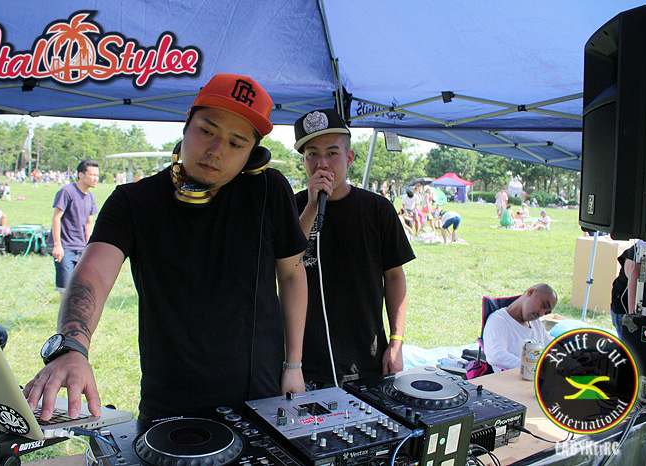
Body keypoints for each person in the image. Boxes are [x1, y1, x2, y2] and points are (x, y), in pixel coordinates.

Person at [24, 73, 309, 420]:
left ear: (253, 155)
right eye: (207, 131)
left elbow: (292, 275)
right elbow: (93, 273)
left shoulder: (269, 190)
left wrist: (293, 364)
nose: (216, 150)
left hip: (260, 393)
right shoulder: (132, 201)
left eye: (236, 144)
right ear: (187, 123)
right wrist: (72, 347)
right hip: (169, 401)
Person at [293, 108, 414, 387]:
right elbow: (287, 266)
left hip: (365, 357)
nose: (322, 163)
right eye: (312, 154)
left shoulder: (377, 209)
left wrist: (396, 341)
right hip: (305, 360)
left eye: (332, 153)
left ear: (349, 158)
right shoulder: (292, 207)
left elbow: (395, 276)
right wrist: (312, 206)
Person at [49, 159, 100, 299]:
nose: (95, 178)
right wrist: (57, 245)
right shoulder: (67, 191)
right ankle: (65, 314)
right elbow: (56, 218)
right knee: (65, 288)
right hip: (66, 247)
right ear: (80, 175)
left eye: (97, 175)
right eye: (92, 175)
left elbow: (89, 224)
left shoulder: (90, 197)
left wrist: (89, 248)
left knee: (81, 286)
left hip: (81, 247)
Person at [483, 284, 557, 371]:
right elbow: (495, 356)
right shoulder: (498, 320)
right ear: (531, 292)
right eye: (543, 305)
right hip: (513, 377)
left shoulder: (535, 323)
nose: (541, 313)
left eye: (546, 313)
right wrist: (533, 367)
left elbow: (552, 346)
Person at [610, 245, 636, 338]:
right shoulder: (636, 256)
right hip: (625, 310)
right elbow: (632, 313)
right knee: (630, 344)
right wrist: (633, 320)